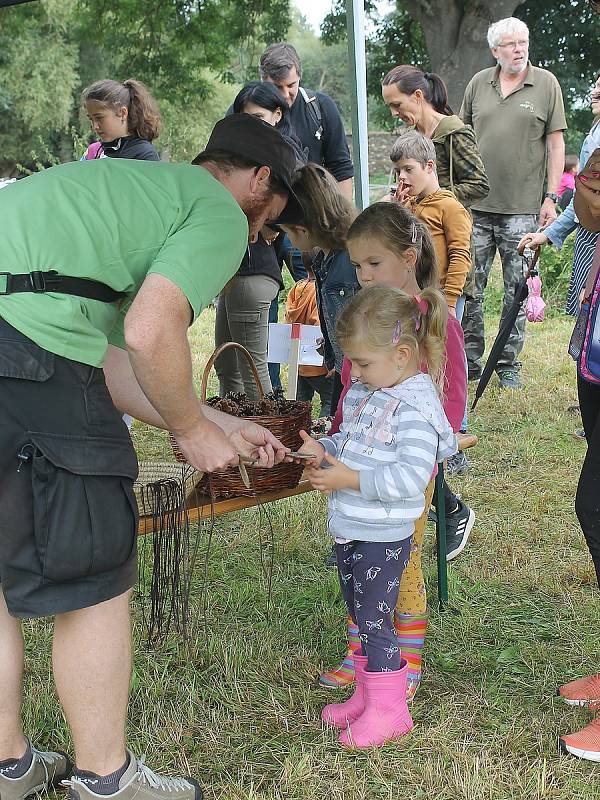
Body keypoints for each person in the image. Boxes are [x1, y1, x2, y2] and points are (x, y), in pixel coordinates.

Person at [0, 113, 306, 800]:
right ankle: (106, 781)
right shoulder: (218, 212)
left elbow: (106, 357)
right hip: (25, 356)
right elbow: (149, 329)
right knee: (97, 576)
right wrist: (192, 436)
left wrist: (210, 419)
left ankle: (8, 768)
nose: (256, 238)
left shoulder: (120, 193)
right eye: (269, 219)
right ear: (259, 179)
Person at [295, 285, 457, 749]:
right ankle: (369, 695)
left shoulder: (414, 411)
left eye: (363, 364)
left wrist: (348, 480)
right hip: (354, 530)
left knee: (375, 620)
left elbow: (410, 478)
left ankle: (390, 709)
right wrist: (323, 449)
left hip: (382, 535)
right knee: (360, 613)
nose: (356, 374)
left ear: (403, 355)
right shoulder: (375, 391)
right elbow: (350, 440)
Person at [319, 203, 468, 699]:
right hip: (360, 461)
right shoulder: (367, 317)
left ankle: (406, 657)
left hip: (405, 468)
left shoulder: (428, 318)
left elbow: (449, 392)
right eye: (356, 265)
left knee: (399, 567)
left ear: (409, 256)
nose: (362, 275)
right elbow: (351, 390)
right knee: (358, 562)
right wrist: (336, 438)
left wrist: (435, 448)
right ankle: (362, 651)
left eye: (373, 264)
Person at [381, 63, 488, 475]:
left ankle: (453, 437)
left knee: (447, 367)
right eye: (399, 172)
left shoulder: (446, 202)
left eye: (409, 170)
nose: (403, 177)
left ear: (429, 168)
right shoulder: (409, 203)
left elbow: (461, 251)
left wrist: (453, 297)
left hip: (444, 298)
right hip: (415, 298)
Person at [460, 16, 567, 389]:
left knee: (516, 289)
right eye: (510, 44)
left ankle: (507, 364)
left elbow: (556, 144)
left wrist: (551, 197)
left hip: (522, 208)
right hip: (474, 206)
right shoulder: (478, 83)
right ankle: (470, 361)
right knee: (468, 286)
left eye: (523, 41)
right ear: (495, 51)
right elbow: (461, 139)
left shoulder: (546, 84)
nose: (519, 49)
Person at [215, 82, 306, 399]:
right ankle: (235, 436)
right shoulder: (240, 154)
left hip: (255, 270)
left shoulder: (285, 154)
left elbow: (303, 201)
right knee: (227, 367)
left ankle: (267, 444)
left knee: (252, 370)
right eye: (244, 117)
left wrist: (270, 223)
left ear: (278, 114)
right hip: (234, 272)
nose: (249, 124)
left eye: (257, 116)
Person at [277, 164, 359, 415]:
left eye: (288, 233)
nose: (288, 240)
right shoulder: (326, 261)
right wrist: (333, 355)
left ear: (302, 229)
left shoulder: (348, 263)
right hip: (345, 372)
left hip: (360, 378)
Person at [518, 75, 600, 317]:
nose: (595, 92)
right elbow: (583, 199)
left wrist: (547, 235)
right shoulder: (594, 133)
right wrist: (547, 234)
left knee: (592, 319)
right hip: (590, 238)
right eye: (595, 86)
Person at [259, 42, 354, 202]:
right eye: (276, 87)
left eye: (291, 85)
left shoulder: (322, 107)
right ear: (263, 80)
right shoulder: (245, 109)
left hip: (314, 209)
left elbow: (341, 169)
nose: (285, 94)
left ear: (299, 77)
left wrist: (344, 219)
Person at [284, 249, 333, 417]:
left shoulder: (297, 288)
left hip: (298, 360)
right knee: (329, 399)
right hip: (317, 364)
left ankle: (296, 432)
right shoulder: (319, 290)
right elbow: (319, 324)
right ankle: (322, 430)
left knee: (299, 404)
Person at [81, 79, 161, 160]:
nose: (95, 126)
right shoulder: (93, 152)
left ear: (123, 113)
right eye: (91, 119)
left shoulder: (145, 155)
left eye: (99, 118)